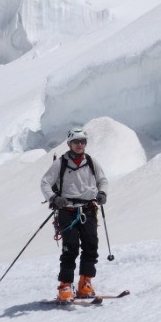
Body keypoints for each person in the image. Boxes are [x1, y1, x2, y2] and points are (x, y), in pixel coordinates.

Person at [40, 126, 108, 302]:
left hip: (88, 209)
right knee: (70, 248)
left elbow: (103, 180)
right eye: (76, 142)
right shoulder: (60, 163)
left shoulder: (92, 162)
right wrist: (54, 198)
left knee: (91, 246)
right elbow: (45, 183)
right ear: (69, 143)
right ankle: (65, 286)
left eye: (83, 142)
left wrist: (102, 193)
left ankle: (85, 284)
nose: (80, 145)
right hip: (67, 211)